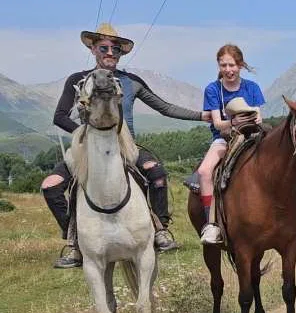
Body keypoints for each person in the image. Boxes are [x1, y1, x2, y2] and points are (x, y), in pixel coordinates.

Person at [41, 23, 210, 269]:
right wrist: (84, 132)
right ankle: (75, 242)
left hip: (124, 143)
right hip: (87, 146)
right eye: (104, 47)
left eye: (116, 49)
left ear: (121, 54)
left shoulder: (131, 82)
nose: (110, 53)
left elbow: (165, 108)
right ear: (93, 49)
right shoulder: (78, 80)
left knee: (157, 173)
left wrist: (203, 116)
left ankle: (160, 229)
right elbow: (60, 116)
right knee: (50, 187)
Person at [198, 44, 265, 245]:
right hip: (224, 138)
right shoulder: (213, 89)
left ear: (240, 65)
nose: (228, 70)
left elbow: (259, 117)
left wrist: (251, 120)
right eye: (223, 65)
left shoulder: (252, 87)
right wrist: (234, 122)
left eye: (232, 65)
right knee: (204, 171)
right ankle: (211, 223)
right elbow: (218, 123)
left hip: (252, 135)